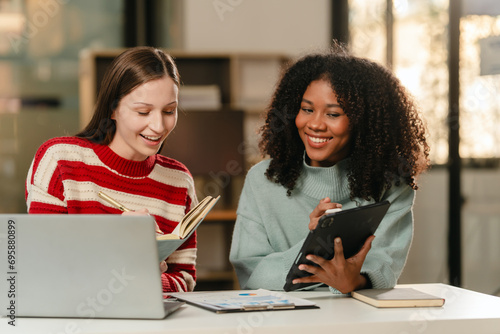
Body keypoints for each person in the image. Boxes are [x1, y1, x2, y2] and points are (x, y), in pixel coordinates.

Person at [229, 44, 429, 294]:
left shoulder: (391, 186)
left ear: (363, 123)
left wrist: (355, 282)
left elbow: (384, 271)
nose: (314, 124)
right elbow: (251, 277)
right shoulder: (262, 180)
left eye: (333, 114)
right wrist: (313, 243)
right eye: (307, 109)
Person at [26, 46, 198, 292]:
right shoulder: (60, 161)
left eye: (169, 111)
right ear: (113, 109)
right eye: (143, 111)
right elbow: (42, 265)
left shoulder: (179, 180)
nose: (159, 126)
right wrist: (126, 254)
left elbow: (184, 281)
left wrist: (139, 278)